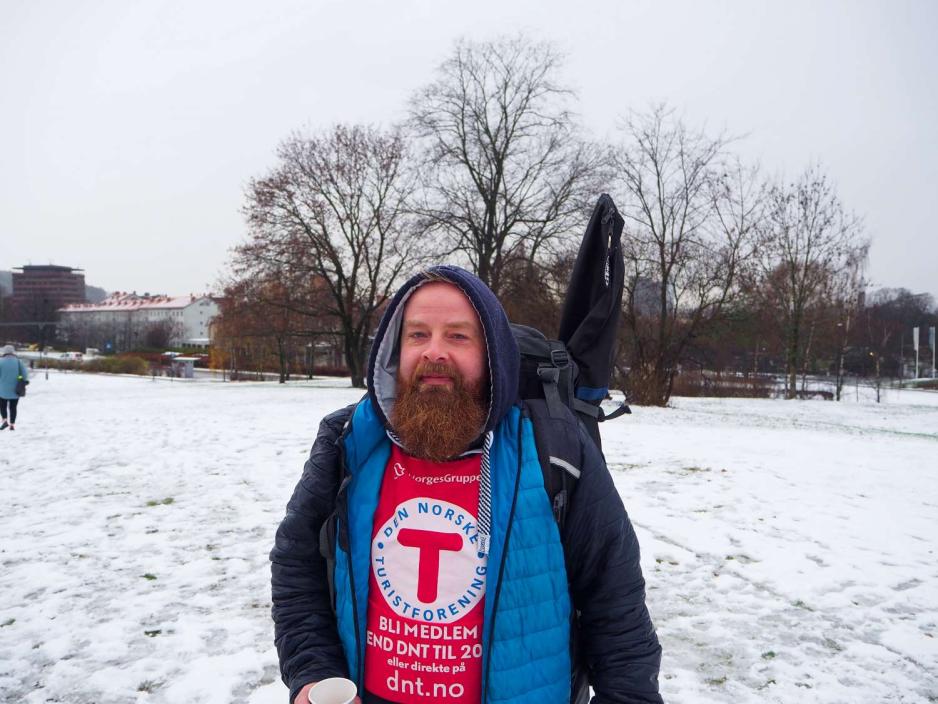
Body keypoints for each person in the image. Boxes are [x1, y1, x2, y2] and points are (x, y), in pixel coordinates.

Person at [271, 266, 662, 704]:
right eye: (417, 335)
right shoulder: (349, 440)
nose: (434, 352)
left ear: (492, 353)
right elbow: (297, 564)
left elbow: (615, 601)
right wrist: (313, 670)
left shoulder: (553, 446)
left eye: (458, 336)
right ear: (394, 350)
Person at [0, 345, 28, 431]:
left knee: (2, 406)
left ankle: (5, 421)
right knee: (13, 407)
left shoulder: (0, 361)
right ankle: (12, 425)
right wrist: (22, 379)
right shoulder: (18, 361)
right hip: (16, 389)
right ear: (13, 352)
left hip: (2, 389)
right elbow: (24, 373)